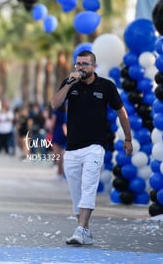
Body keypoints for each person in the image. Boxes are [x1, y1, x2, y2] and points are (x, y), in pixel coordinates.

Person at [51, 50, 133, 246]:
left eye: (85, 64)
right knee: (76, 192)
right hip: (72, 147)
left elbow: (121, 112)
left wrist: (128, 139)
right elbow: (55, 104)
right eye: (78, 64)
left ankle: (80, 230)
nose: (80, 68)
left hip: (95, 146)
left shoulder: (106, 86)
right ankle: (85, 230)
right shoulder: (70, 84)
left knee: (88, 187)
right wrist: (69, 83)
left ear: (94, 66)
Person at [51, 103, 67, 179]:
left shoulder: (56, 111)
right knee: (62, 153)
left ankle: (59, 172)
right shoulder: (65, 111)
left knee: (57, 154)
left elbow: (53, 123)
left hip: (57, 132)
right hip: (64, 132)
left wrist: (50, 129)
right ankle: (63, 172)